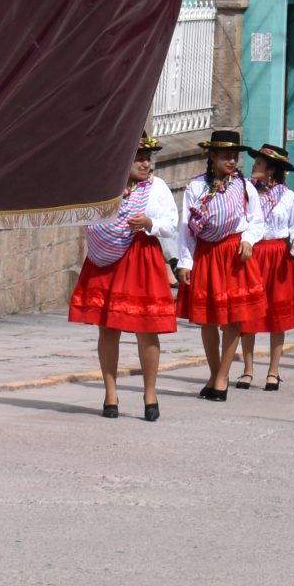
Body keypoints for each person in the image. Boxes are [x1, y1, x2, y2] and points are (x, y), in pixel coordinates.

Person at [67, 132, 180, 420]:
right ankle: (110, 394)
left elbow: (171, 224)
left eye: (147, 158)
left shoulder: (157, 188)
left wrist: (149, 222)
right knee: (108, 328)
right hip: (107, 261)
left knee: (147, 328)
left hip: (142, 258)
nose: (145, 164)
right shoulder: (107, 188)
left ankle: (150, 393)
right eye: (138, 158)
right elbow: (86, 215)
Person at [175, 128, 256, 402]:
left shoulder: (243, 186)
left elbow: (255, 220)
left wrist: (248, 240)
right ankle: (215, 373)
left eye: (234, 156)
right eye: (225, 156)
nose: (231, 161)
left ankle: (222, 378)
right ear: (212, 156)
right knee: (207, 318)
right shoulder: (196, 187)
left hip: (233, 255)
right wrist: (185, 261)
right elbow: (186, 227)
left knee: (232, 317)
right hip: (207, 255)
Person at [230, 143, 294, 392]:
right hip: (253, 254)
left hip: (278, 256)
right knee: (248, 314)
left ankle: (273, 371)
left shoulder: (288, 197)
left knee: (277, 317)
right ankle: (248, 369)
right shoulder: (246, 193)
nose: (254, 166)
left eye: (260, 164)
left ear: (272, 170)